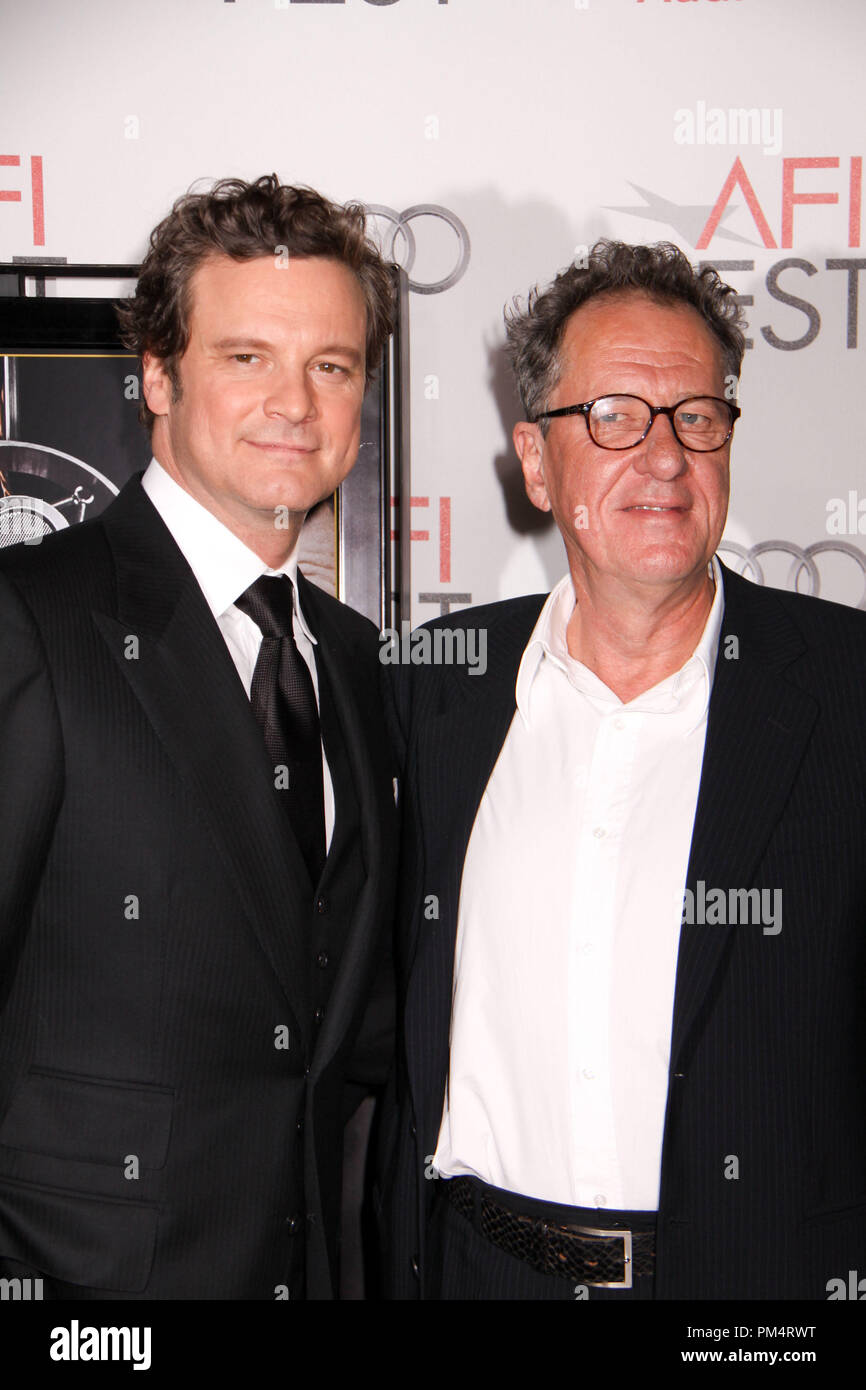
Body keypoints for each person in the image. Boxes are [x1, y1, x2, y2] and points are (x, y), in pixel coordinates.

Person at [380, 240, 866, 1300]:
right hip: (475, 1273)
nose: (662, 456)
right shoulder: (426, 690)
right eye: (612, 416)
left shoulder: (844, 692)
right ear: (536, 460)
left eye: (695, 416)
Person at [0, 175, 398, 1299]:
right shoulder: (29, 617)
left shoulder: (356, 660)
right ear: (158, 377)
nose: (296, 402)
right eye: (246, 357)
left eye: (331, 364)